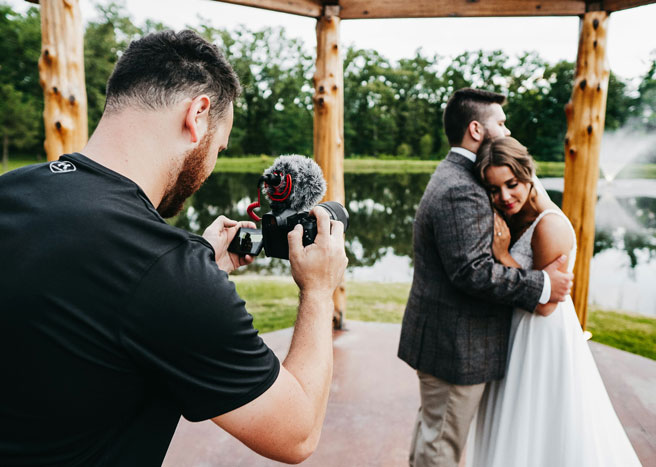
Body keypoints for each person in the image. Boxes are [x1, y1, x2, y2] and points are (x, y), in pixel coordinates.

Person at [0, 30, 347, 465]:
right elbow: (297, 434)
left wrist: (190, 273)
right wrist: (318, 290)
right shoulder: (165, 271)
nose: (212, 164)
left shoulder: (12, 189)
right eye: (219, 148)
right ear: (197, 115)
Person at [397, 88, 574, 467]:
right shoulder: (461, 187)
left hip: (447, 339)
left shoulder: (459, 175)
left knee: (433, 433)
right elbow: (471, 271)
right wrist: (542, 284)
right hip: (455, 344)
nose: (507, 130)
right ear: (477, 129)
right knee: (440, 446)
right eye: (501, 122)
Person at [467, 136, 641, 466]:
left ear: (528, 173)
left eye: (512, 184)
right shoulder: (512, 216)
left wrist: (502, 254)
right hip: (514, 333)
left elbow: (546, 303)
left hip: (539, 339)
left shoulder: (550, 226)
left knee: (538, 425)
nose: (504, 196)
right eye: (494, 189)